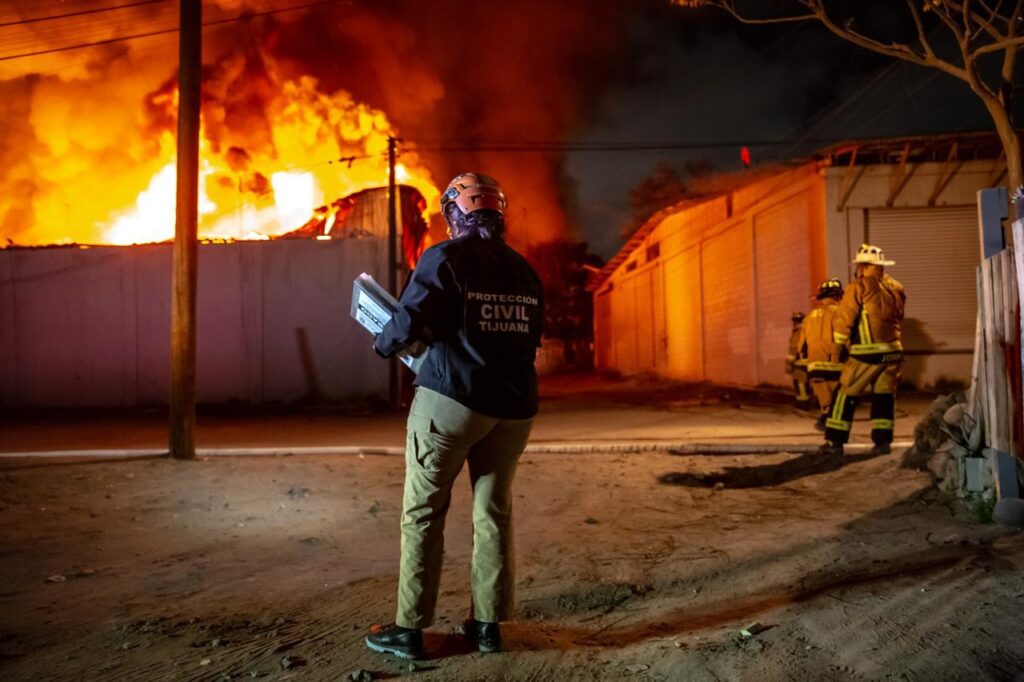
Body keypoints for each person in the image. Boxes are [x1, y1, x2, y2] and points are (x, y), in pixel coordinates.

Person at [366, 173, 544, 660]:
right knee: (494, 512)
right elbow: (527, 340)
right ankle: (488, 626)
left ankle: (408, 630)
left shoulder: (445, 256)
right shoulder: (524, 270)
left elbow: (407, 320)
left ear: (453, 215)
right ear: (498, 216)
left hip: (453, 402)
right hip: (514, 409)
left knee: (422, 513)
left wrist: (383, 340)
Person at [820, 244, 906, 456]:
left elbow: (844, 321)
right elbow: (899, 317)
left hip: (867, 353)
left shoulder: (857, 287)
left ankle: (835, 442)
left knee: (844, 394)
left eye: (860, 266)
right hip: (894, 353)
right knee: (884, 396)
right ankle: (882, 443)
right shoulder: (897, 287)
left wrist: (837, 347)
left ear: (864, 266)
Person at [797, 278, 845, 432]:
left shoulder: (809, 316)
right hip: (835, 362)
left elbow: (801, 345)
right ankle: (834, 431)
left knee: (826, 400)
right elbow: (845, 336)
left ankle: (827, 421)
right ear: (838, 296)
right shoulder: (841, 313)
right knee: (839, 400)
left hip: (814, 364)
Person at [785, 311, 810, 410]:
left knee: (800, 383)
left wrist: (788, 363)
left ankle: (803, 404)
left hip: (799, 361)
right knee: (805, 383)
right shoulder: (808, 330)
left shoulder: (798, 332)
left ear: (795, 321)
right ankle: (805, 402)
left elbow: (794, 348)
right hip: (808, 361)